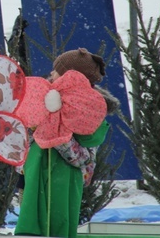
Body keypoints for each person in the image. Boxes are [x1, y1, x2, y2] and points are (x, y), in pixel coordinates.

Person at [15, 48, 119, 238]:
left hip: (62, 183)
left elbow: (84, 161)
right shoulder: (41, 97)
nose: (51, 74)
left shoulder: (89, 113)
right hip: (32, 179)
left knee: (57, 226)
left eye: (57, 70)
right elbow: (22, 140)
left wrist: (55, 130)